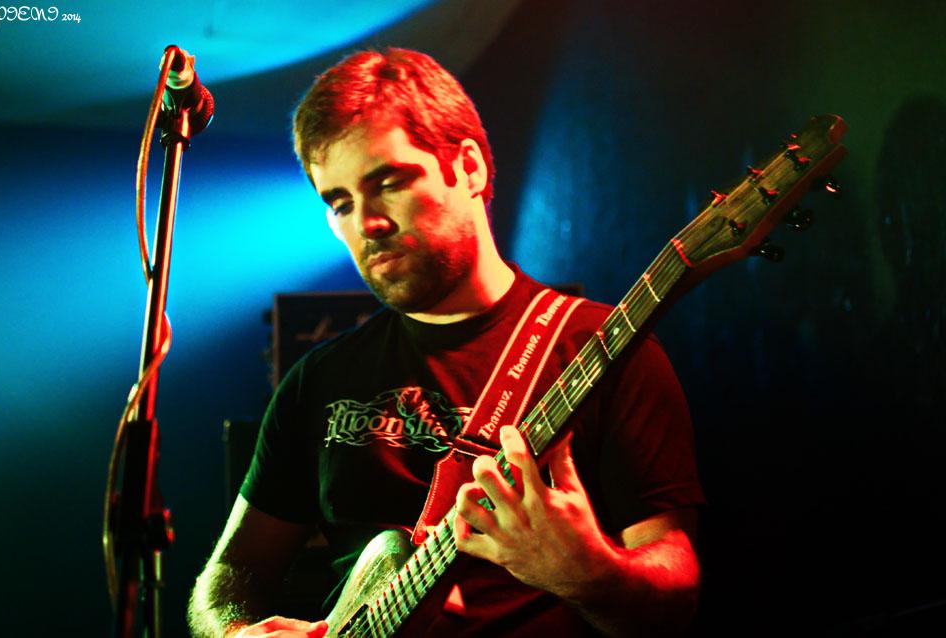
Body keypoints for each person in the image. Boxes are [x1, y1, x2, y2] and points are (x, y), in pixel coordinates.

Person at [188, 47, 705, 637]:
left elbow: (678, 590)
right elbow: (226, 576)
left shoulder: (602, 348)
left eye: (389, 182)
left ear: (469, 168)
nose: (367, 223)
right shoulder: (318, 379)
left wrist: (591, 574)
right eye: (340, 203)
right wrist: (232, 631)